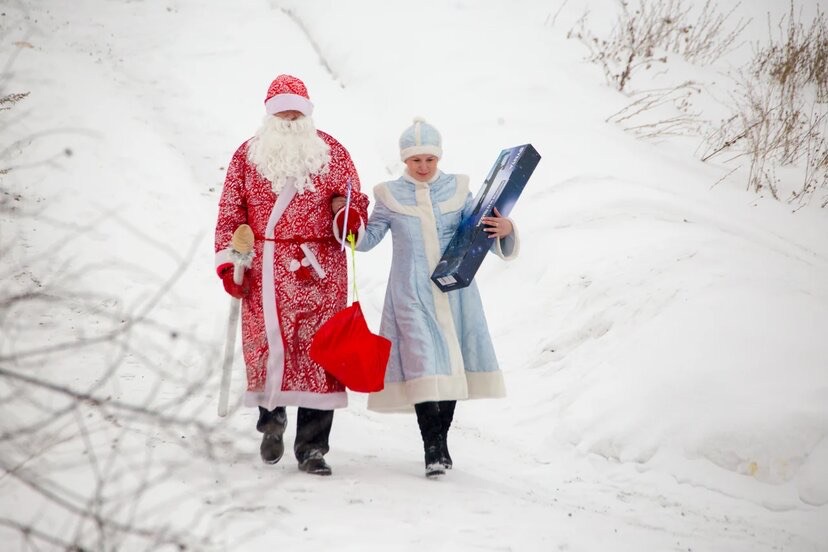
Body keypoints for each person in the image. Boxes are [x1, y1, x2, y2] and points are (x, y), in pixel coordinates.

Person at [214, 74, 368, 476]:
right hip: (267, 267)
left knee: (321, 355)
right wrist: (231, 263)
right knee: (270, 348)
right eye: (281, 110)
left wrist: (349, 216)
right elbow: (232, 212)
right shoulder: (247, 156)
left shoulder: (332, 153)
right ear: (269, 113)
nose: (289, 116)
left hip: (322, 269)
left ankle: (313, 448)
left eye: (296, 110)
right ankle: (271, 423)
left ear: (308, 112)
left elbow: (353, 198)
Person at [355, 117, 518, 477]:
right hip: (410, 294)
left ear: (438, 157)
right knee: (424, 365)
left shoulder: (460, 189)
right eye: (416, 161)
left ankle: (440, 443)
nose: (424, 167)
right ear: (404, 160)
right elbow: (366, 241)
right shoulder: (388, 195)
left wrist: (505, 229)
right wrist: (346, 219)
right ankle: (433, 449)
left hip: (455, 293)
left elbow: (482, 235)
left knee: (449, 366)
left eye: (430, 159)